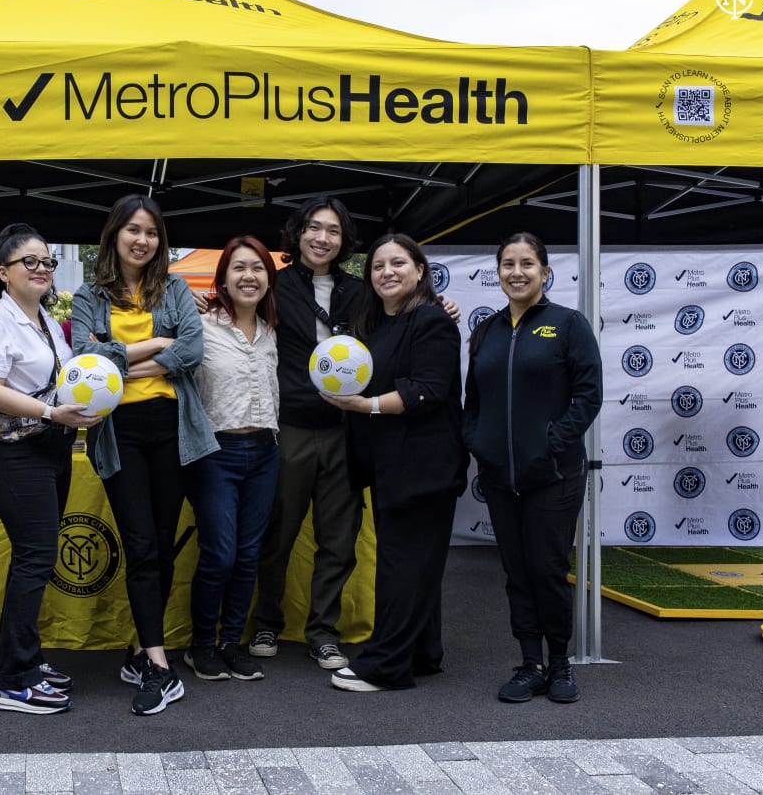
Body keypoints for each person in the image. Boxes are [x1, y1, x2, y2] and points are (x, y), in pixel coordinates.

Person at [71, 194, 218, 716]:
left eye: (152, 232)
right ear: (114, 235)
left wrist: (124, 363)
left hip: (173, 428)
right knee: (138, 541)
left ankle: (140, 647)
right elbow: (84, 359)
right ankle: (159, 664)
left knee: (159, 540)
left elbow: (194, 348)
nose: (142, 240)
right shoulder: (89, 293)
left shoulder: (174, 285)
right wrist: (157, 345)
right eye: (133, 230)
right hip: (121, 431)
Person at [463, 232, 602, 704]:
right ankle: (530, 664)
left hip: (555, 476)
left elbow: (588, 396)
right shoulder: (486, 331)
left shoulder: (568, 325)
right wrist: (478, 444)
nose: (516, 272)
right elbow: (473, 402)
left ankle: (560, 663)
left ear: (545, 271)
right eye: (508, 264)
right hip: (501, 478)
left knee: (546, 570)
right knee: (516, 572)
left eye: (527, 263)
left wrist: (551, 445)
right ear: (498, 271)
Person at [323, 233, 467, 692]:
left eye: (398, 263)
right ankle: (422, 654)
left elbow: (428, 389)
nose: (387, 272)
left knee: (402, 567)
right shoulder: (375, 326)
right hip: (389, 467)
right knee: (413, 564)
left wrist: (366, 407)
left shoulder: (431, 321)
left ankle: (386, 665)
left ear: (420, 270)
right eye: (379, 265)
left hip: (423, 468)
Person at [0, 224, 101, 714]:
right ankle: (13, 680)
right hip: (14, 455)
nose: (42, 268)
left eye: (46, 261)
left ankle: (24, 657)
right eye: (30, 261)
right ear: (4, 273)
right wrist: (51, 413)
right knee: (35, 558)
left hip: (51, 451)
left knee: (34, 560)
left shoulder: (46, 319)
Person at [247, 196, 366, 671]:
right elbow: (235, 303)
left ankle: (323, 633)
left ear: (344, 240)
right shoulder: (274, 285)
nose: (322, 238)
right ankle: (265, 623)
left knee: (338, 539)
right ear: (298, 235)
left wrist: (442, 304)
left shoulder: (361, 292)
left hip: (345, 429)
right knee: (276, 534)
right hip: (291, 427)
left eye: (333, 231)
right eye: (314, 228)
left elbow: (399, 320)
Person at [182, 235, 279, 683]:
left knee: (247, 555)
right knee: (219, 554)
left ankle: (231, 643)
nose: (249, 276)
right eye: (239, 268)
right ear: (222, 278)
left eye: (257, 268)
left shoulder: (272, 330)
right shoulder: (201, 325)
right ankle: (200, 645)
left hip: (264, 452)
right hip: (215, 454)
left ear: (268, 278)